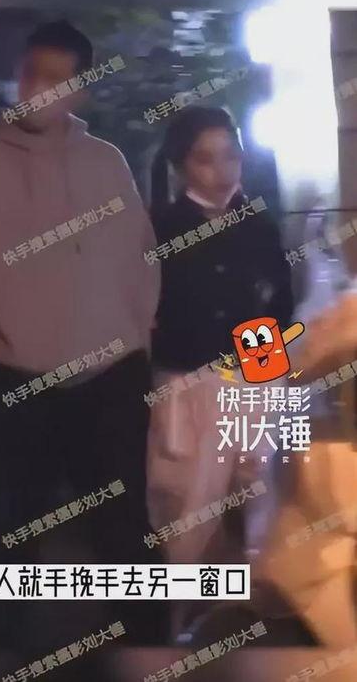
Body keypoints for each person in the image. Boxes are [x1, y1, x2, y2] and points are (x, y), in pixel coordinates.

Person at [0, 20, 167, 653]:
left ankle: (147, 650)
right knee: (6, 532)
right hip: (13, 378)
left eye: (56, 78)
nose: (38, 88)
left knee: (123, 526)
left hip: (110, 378)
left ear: (80, 88)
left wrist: (134, 340)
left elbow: (141, 258)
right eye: (31, 73)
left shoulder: (106, 162)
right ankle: (3, 656)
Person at [146, 106, 294, 635]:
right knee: (188, 506)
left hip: (255, 377)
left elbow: (278, 306)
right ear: (181, 164)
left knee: (261, 495)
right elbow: (149, 316)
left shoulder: (258, 225)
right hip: (189, 384)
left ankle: (254, 616)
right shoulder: (160, 230)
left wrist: (266, 380)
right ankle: (174, 623)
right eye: (205, 159)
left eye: (231, 155)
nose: (222, 170)